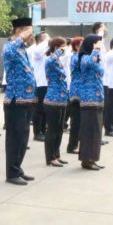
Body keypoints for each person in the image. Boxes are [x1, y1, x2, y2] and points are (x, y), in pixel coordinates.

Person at [3, 18, 36, 186]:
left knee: (23, 137)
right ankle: (12, 172)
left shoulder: (23, 49)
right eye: (28, 31)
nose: (31, 35)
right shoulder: (10, 45)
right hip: (15, 99)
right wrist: (21, 37)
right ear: (19, 31)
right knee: (15, 138)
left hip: (27, 99)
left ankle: (18, 167)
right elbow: (8, 52)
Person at [78, 34, 105, 171]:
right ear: (91, 44)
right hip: (89, 100)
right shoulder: (84, 58)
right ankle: (86, 160)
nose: (100, 46)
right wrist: (96, 50)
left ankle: (93, 158)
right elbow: (91, 62)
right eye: (97, 44)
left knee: (96, 131)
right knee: (89, 131)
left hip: (98, 99)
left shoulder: (97, 58)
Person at [43, 37, 69, 167]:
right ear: (56, 47)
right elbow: (51, 60)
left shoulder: (58, 61)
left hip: (62, 99)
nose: (65, 49)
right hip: (53, 100)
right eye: (62, 47)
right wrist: (58, 51)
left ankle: (57, 154)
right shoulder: (50, 60)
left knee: (59, 130)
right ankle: (50, 157)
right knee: (52, 130)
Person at [28, 32, 50, 142]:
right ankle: (37, 132)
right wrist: (46, 41)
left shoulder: (46, 51)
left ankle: (43, 130)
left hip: (47, 83)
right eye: (47, 37)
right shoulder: (36, 51)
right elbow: (37, 51)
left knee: (45, 109)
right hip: (39, 83)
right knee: (39, 109)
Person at [66, 36, 84, 154]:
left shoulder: (79, 57)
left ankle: (76, 144)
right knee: (76, 121)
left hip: (80, 91)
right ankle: (72, 146)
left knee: (79, 121)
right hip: (76, 92)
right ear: (77, 46)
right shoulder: (76, 58)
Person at [60, 38, 73, 130]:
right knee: (67, 105)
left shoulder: (70, 54)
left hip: (69, 82)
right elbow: (62, 62)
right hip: (64, 82)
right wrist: (68, 51)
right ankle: (63, 122)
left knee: (69, 105)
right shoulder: (65, 53)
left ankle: (64, 122)